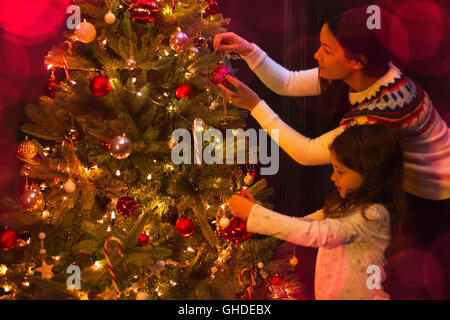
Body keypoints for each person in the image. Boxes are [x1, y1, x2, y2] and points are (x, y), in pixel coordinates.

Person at [215, 6, 450, 298]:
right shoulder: (370, 71)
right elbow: (288, 82)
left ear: (355, 60)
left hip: (433, 197)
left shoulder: (376, 119)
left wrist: (254, 106)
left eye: (326, 49)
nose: (317, 55)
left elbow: (306, 151)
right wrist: (249, 51)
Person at [229, 124, 406, 300]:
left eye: (340, 172)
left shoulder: (374, 215)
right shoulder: (345, 205)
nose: (332, 177)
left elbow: (316, 233)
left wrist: (255, 214)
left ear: (370, 174)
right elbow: (305, 224)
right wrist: (255, 212)